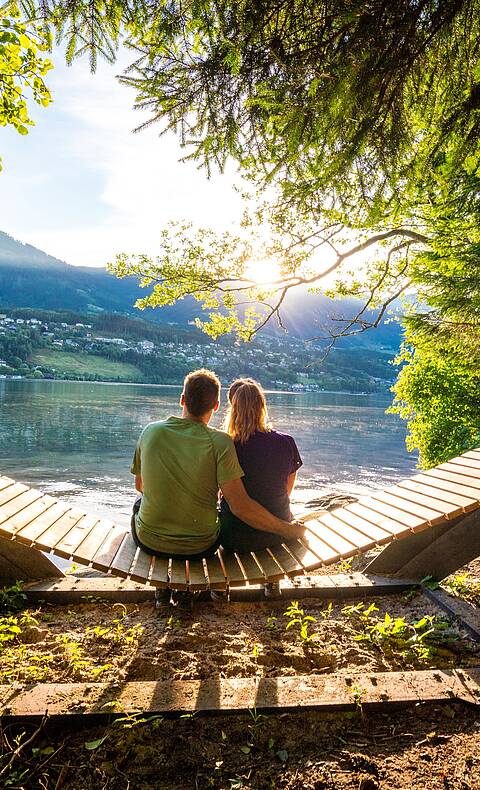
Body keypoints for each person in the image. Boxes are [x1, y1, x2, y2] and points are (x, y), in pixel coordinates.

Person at [131, 369, 305, 563]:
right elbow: (248, 503)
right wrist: (288, 529)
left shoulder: (150, 432)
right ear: (215, 406)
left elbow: (140, 486)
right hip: (202, 545)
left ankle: (164, 590)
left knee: (139, 499)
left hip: (149, 541)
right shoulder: (221, 442)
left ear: (182, 399)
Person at [219, 378, 303, 552]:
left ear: (233, 410)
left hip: (235, 538)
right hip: (279, 533)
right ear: (262, 407)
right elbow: (286, 490)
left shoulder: (227, 446)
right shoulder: (286, 442)